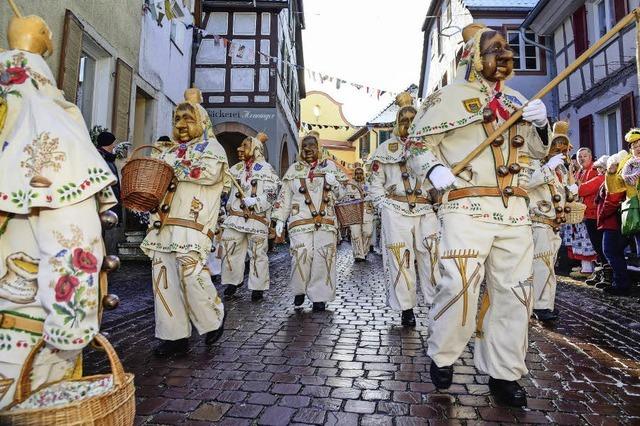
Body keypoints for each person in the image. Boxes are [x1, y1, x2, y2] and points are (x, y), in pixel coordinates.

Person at [408, 23, 550, 407]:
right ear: (473, 57)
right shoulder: (446, 98)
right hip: (467, 207)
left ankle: (503, 374)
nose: (505, 56)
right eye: (495, 49)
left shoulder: (519, 99)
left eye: (507, 50)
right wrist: (433, 169)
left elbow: (537, 153)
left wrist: (541, 124)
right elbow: (417, 145)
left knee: (515, 294)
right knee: (459, 285)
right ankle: (444, 352)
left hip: (514, 210)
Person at [0, 13, 119, 408]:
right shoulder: (48, 123)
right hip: (18, 346)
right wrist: (70, 338)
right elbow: (74, 245)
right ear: (47, 44)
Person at [140, 88, 226, 357]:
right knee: (163, 281)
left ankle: (213, 321)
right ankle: (173, 336)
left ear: (201, 122)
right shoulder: (168, 151)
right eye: (177, 119)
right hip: (162, 225)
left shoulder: (212, 148)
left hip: (192, 224)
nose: (180, 125)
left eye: (188, 120)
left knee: (191, 275)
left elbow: (207, 173)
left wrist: (171, 164)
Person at [368, 92, 440, 327]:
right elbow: (375, 181)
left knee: (432, 256)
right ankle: (406, 308)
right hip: (396, 209)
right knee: (400, 259)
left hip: (425, 209)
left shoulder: (429, 147)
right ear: (396, 125)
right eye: (404, 121)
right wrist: (383, 206)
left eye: (413, 120)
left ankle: (435, 304)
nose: (408, 125)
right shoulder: (384, 149)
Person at [272, 132, 347, 312]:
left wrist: (334, 182)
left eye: (311, 146)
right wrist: (280, 218)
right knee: (301, 254)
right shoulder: (294, 170)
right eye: (304, 146)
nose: (307, 149)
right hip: (300, 221)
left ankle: (319, 297)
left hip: (326, 222)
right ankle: (299, 290)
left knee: (323, 258)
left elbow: (342, 194)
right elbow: (285, 196)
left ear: (319, 148)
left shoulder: (330, 167)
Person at [526, 121, 577, 322]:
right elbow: (526, 183)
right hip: (538, 221)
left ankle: (546, 304)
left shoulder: (561, 170)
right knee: (541, 265)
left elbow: (560, 194)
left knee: (549, 266)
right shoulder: (533, 163)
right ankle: (539, 306)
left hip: (553, 224)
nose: (559, 151)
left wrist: (571, 192)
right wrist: (547, 167)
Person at [220, 133, 280, 301]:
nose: (240, 149)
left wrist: (256, 200)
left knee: (258, 253)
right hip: (235, 218)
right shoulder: (235, 169)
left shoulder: (267, 169)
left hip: (257, 219)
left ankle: (258, 287)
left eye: (245, 146)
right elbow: (223, 184)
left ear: (255, 150)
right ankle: (232, 282)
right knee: (230, 249)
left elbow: (273, 194)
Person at [598, 152, 630, 296]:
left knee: (610, 251)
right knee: (615, 253)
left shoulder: (617, 178)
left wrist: (603, 214)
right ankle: (620, 283)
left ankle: (621, 284)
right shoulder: (611, 177)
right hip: (611, 221)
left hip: (613, 222)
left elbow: (612, 199)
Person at [572, 147, 603, 279]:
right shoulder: (580, 171)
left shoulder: (595, 170)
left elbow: (584, 189)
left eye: (584, 156)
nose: (581, 159)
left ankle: (599, 271)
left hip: (593, 212)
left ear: (591, 157)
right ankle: (597, 271)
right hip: (583, 213)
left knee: (596, 245)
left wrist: (576, 188)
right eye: (580, 157)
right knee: (589, 243)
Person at [341, 165, 374, 262]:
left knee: (368, 232)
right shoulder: (350, 184)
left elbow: (374, 194)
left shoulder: (368, 183)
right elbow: (345, 196)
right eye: (357, 173)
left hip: (367, 211)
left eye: (360, 173)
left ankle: (364, 250)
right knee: (355, 233)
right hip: (354, 211)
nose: (359, 175)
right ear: (354, 174)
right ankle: (358, 254)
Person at [96, 131, 122, 223]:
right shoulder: (100, 159)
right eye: (112, 143)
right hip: (105, 203)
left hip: (111, 203)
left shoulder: (109, 159)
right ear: (107, 144)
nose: (114, 146)